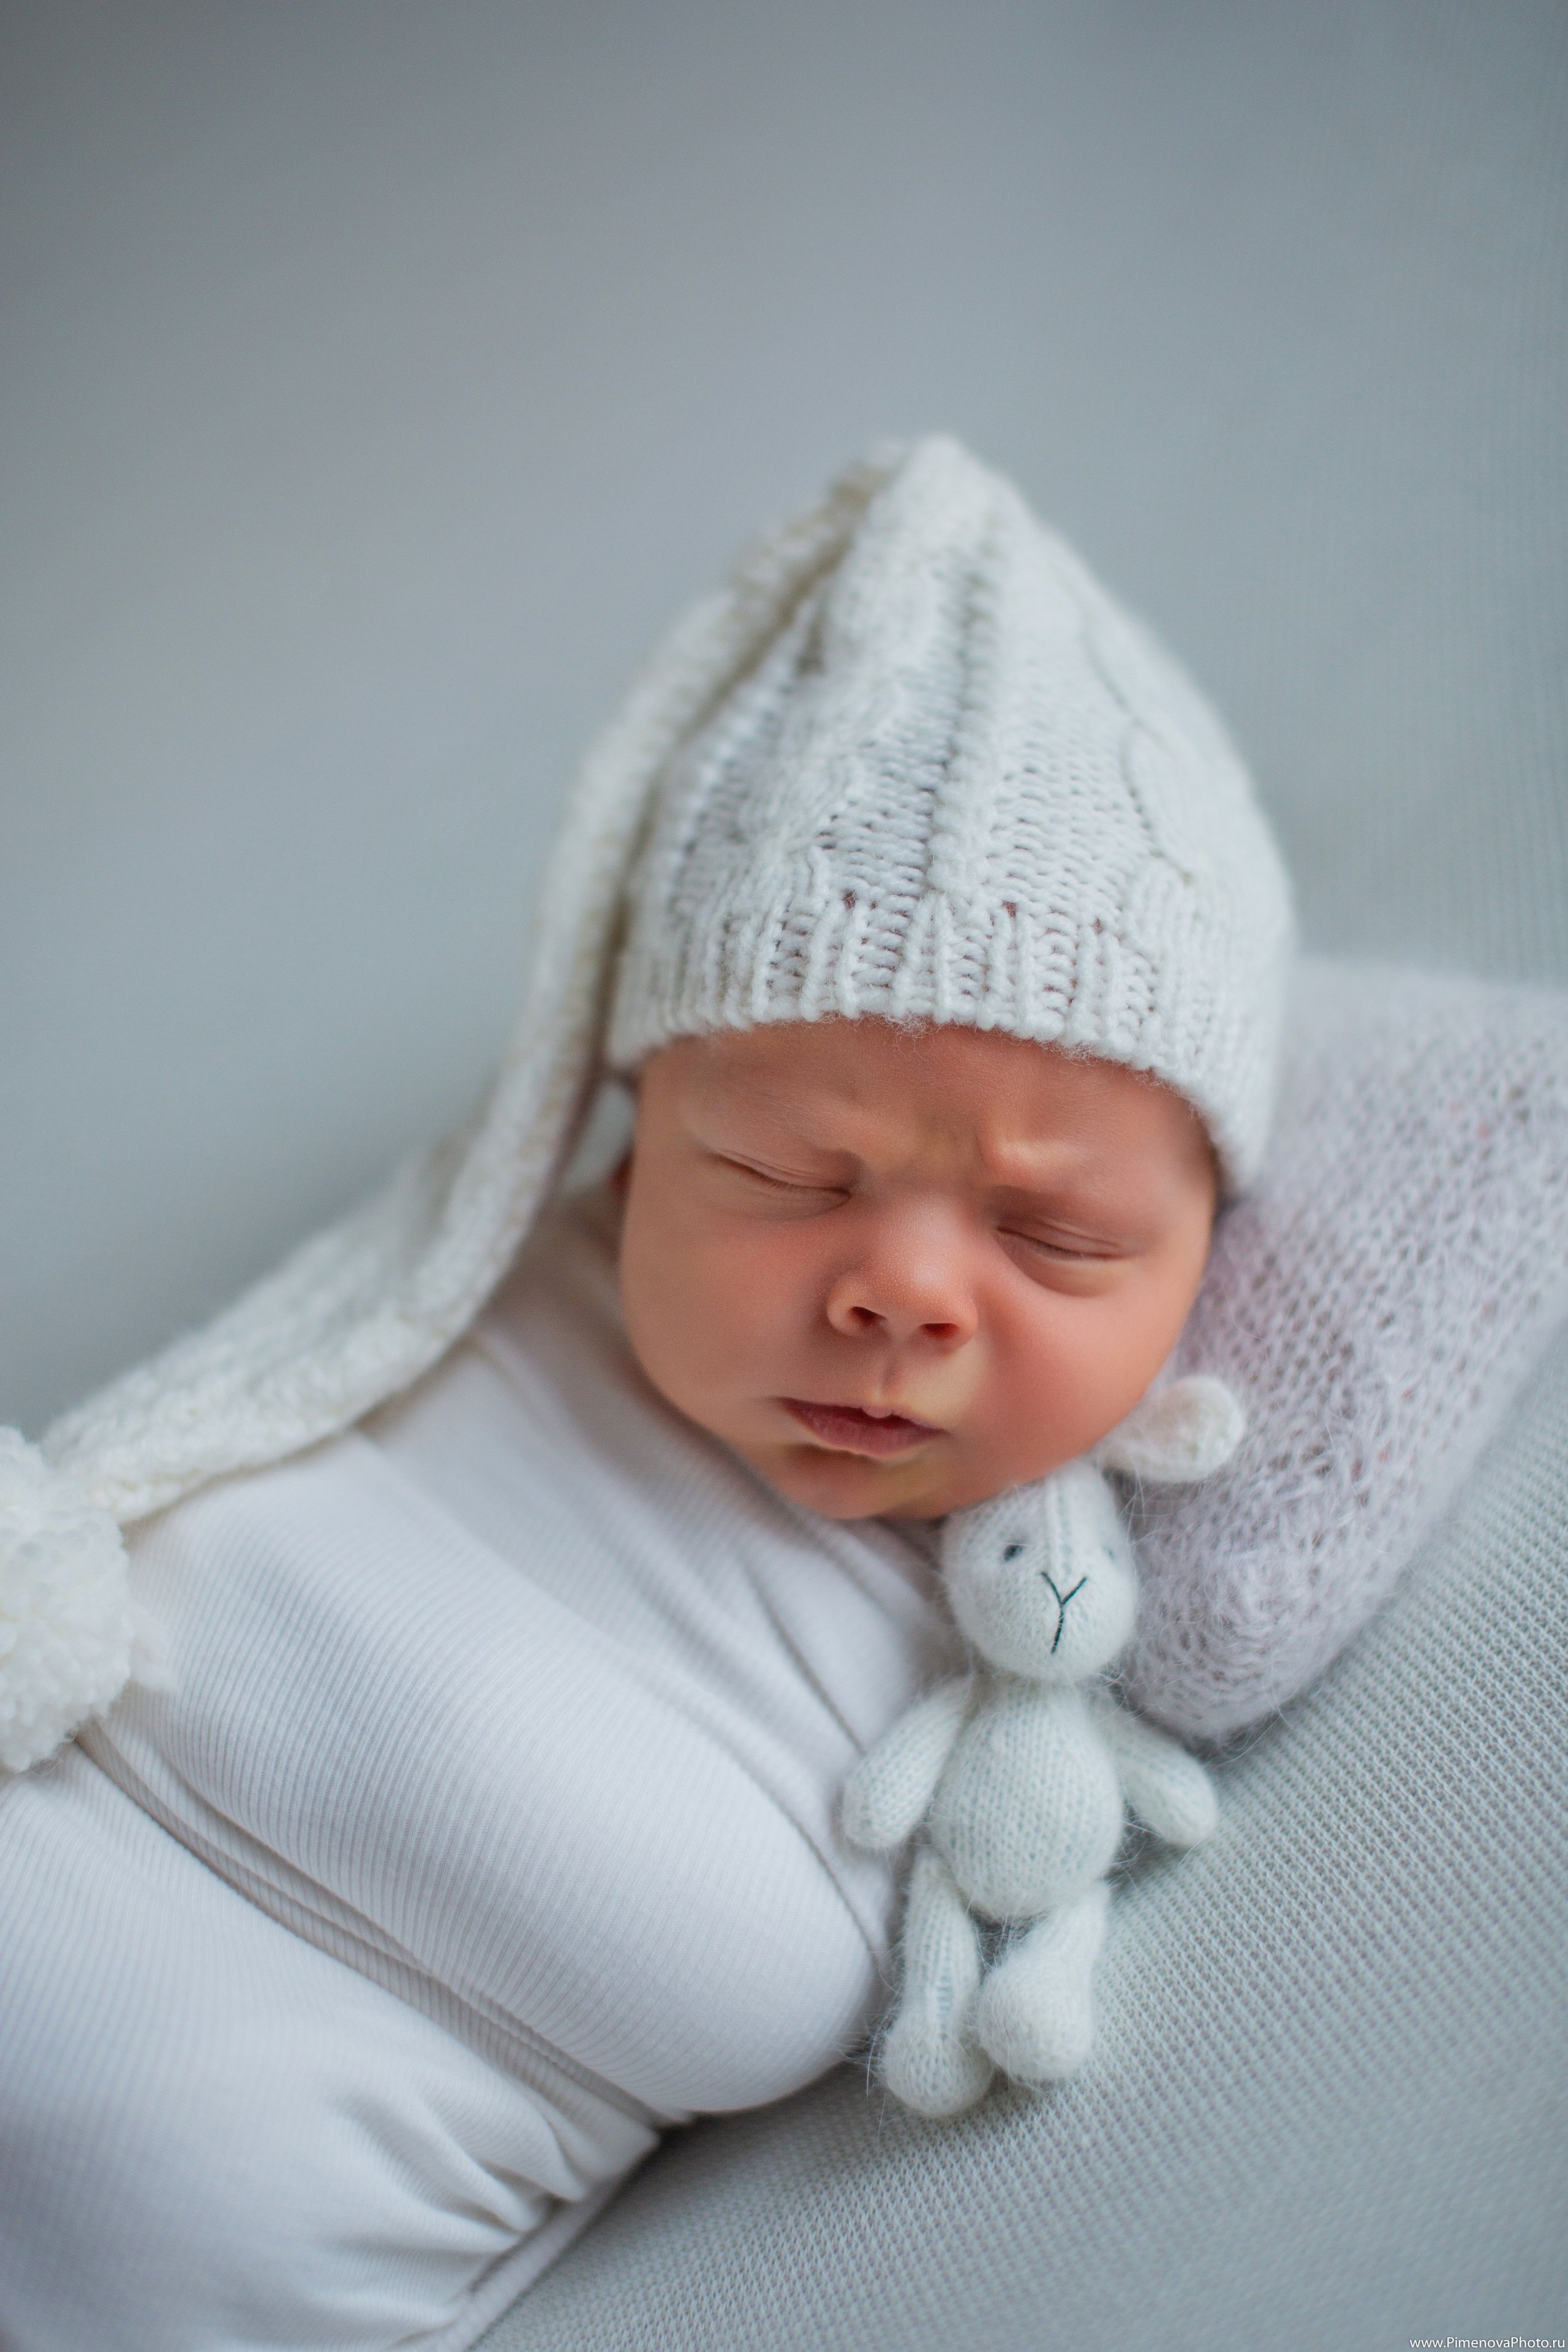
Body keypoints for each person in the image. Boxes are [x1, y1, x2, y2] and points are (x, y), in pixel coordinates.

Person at [0, 436, 1292, 2350]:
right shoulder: (450, 1301)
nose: (903, 1296)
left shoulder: (1055, 1622)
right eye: (786, 1177)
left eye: (1059, 1234)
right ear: (621, 1138)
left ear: (1205, 1256)